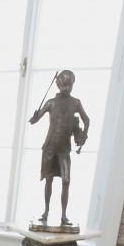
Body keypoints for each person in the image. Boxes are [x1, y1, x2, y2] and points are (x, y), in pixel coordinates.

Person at [29, 70, 90, 226]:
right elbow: (35, 120)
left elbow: (87, 120)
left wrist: (83, 135)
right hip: (50, 147)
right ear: (58, 84)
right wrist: (35, 117)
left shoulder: (75, 102)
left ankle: (63, 216)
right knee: (48, 180)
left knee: (66, 181)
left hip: (64, 150)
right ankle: (46, 212)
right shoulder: (51, 102)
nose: (66, 87)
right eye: (63, 84)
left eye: (69, 84)